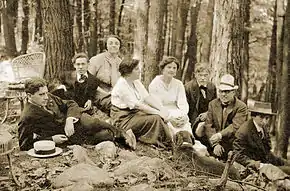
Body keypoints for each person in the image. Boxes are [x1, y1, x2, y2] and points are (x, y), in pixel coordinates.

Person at [18, 77, 134, 151]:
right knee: (104, 136)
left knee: (91, 122)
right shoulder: (27, 116)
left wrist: (69, 120)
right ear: (29, 96)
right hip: (66, 136)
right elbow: (24, 145)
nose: (46, 97)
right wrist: (52, 139)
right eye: (41, 95)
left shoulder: (49, 97)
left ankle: (121, 133)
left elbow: (70, 104)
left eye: (46, 93)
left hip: (74, 121)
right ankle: (117, 135)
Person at [110, 58, 172, 149]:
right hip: (123, 119)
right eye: (136, 69)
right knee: (156, 118)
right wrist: (159, 113)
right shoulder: (121, 86)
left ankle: (168, 140)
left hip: (134, 113)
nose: (139, 71)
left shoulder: (135, 81)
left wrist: (161, 108)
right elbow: (139, 106)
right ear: (128, 72)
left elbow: (147, 97)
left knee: (160, 116)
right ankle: (166, 143)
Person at [149, 56, 195, 148]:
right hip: (162, 111)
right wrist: (170, 118)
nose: (172, 70)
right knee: (170, 124)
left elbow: (182, 102)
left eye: (174, 68)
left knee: (184, 122)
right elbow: (157, 105)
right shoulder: (155, 83)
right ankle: (175, 144)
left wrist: (184, 115)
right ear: (163, 69)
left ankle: (188, 144)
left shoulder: (178, 84)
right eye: (169, 67)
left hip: (176, 110)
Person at [234, 101, 290, 174]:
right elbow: (237, 155)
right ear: (253, 116)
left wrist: (284, 162)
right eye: (261, 117)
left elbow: (267, 153)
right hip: (251, 169)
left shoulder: (263, 129)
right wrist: (256, 164)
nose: (264, 121)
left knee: (287, 167)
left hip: (265, 164)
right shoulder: (244, 131)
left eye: (267, 118)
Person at [204, 74, 248, 161]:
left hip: (232, 144)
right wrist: (215, 144)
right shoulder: (213, 104)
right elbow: (208, 125)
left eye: (227, 91)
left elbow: (235, 126)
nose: (223, 94)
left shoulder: (241, 106)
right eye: (221, 91)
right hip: (215, 144)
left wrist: (220, 135)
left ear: (233, 92)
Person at [88, 35, 123, 115]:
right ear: (106, 45)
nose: (113, 45)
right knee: (116, 104)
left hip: (114, 92)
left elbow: (117, 84)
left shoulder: (120, 62)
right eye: (110, 43)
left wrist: (114, 65)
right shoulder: (96, 59)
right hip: (97, 91)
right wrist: (106, 93)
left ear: (119, 46)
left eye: (116, 43)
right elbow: (89, 81)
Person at [185, 63, 216, 145]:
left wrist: (207, 113)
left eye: (205, 75)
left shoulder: (212, 87)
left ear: (210, 75)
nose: (203, 78)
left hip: (209, 117)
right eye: (200, 75)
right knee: (202, 127)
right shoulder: (188, 87)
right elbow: (186, 108)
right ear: (195, 75)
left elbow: (215, 105)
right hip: (193, 119)